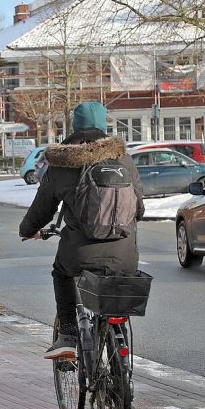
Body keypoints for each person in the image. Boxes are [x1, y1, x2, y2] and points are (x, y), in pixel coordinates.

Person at [18, 102, 144, 360]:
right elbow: (139, 209)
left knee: (61, 273)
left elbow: (43, 207)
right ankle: (119, 370)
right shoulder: (124, 159)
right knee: (113, 298)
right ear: (103, 126)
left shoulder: (63, 162)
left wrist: (27, 229)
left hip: (79, 253)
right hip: (125, 254)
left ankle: (67, 336)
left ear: (74, 127)